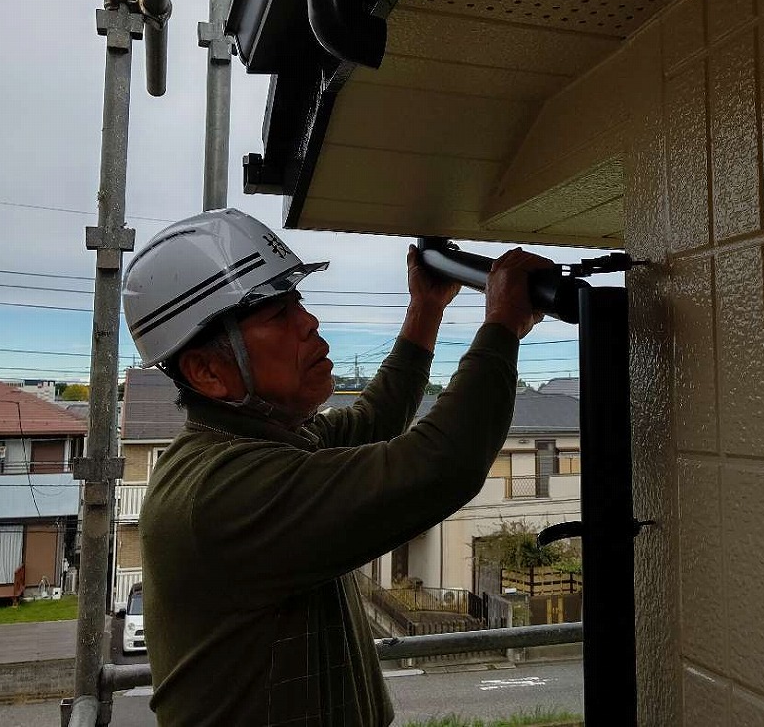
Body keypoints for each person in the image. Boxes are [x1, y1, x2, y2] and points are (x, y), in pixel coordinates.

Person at [121, 208, 550, 727]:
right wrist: (502, 324)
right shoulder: (223, 491)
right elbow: (440, 463)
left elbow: (375, 420)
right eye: (277, 314)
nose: (308, 322)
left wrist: (426, 308)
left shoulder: (264, 442)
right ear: (207, 371)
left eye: (297, 301)